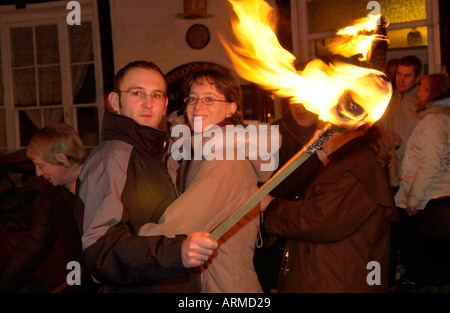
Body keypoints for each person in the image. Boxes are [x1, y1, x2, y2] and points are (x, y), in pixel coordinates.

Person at [76, 60, 218, 293]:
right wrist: (175, 253)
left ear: (164, 105)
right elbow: (101, 248)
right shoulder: (112, 157)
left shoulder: (165, 152)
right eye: (136, 93)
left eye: (156, 95)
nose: (147, 103)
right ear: (115, 102)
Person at [138, 63, 278, 292]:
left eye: (209, 99)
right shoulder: (201, 151)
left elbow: (179, 224)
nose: (197, 106)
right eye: (192, 99)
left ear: (231, 108)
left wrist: (128, 248)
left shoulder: (225, 160)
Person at [261, 123, 396, 293]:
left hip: (340, 279)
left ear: (346, 134)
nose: (318, 136)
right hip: (333, 275)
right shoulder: (345, 164)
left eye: (326, 131)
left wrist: (272, 207)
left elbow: (320, 219)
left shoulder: (356, 168)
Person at [0, 123, 97, 293]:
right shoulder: (53, 195)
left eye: (41, 165)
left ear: (63, 159)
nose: (37, 173)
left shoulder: (104, 183)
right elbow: (34, 243)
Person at [253, 101, 324, 292]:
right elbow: (259, 181)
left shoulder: (329, 133)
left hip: (313, 224)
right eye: (294, 101)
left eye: (306, 101)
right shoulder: (273, 131)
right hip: (276, 226)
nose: (299, 108)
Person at [394, 73, 450, 290]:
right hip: (433, 197)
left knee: (430, 266)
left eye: (423, 89)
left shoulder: (435, 120)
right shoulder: (436, 117)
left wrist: (413, 200)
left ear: (434, 93)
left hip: (430, 199)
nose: (418, 92)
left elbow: (431, 163)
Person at [378, 55, 422, 190]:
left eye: (407, 76)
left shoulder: (421, 104)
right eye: (399, 74)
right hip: (389, 176)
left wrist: (401, 145)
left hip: (414, 177)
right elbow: (378, 131)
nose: (401, 80)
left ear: (417, 78)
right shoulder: (387, 100)